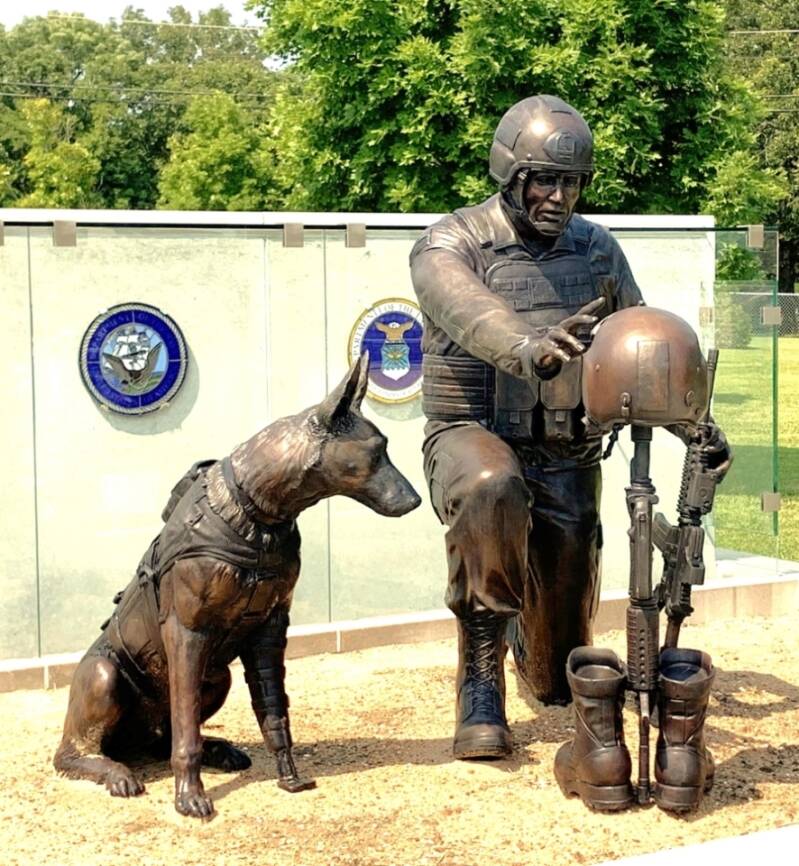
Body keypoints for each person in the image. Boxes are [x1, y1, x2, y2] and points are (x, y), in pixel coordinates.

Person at [409, 94, 729, 760]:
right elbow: (467, 309)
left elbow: (638, 347)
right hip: (472, 432)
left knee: (558, 678)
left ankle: (533, 641)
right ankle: (479, 675)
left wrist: (690, 424)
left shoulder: (595, 249)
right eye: (543, 180)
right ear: (509, 175)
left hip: (564, 444)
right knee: (492, 485)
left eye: (571, 182)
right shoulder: (452, 241)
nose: (558, 196)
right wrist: (529, 347)